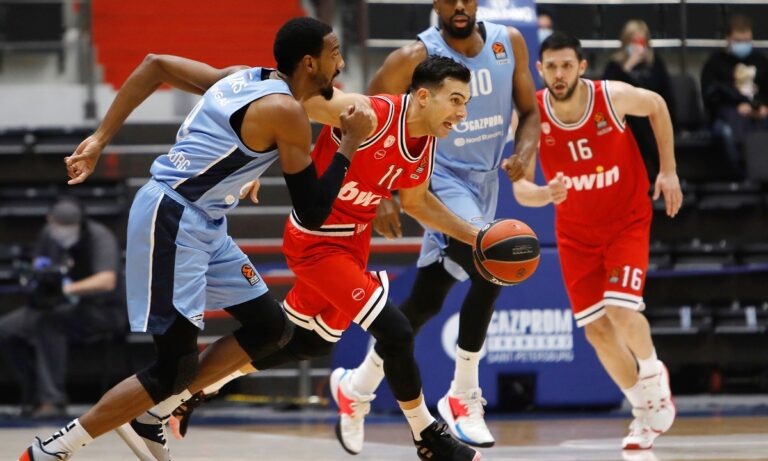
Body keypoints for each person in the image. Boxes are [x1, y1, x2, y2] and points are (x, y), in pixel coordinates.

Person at [19, 17, 376, 461]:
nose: (341, 63)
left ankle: (151, 415)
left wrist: (100, 138)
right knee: (175, 367)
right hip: (173, 217)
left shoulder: (244, 77)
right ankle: (54, 448)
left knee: (271, 329)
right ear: (309, 62)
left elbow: (156, 65)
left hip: (204, 219)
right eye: (335, 53)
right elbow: (313, 212)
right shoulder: (287, 113)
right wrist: (349, 144)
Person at [126, 54, 482, 461]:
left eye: (466, 103)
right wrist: (255, 158)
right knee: (396, 331)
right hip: (316, 241)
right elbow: (295, 98)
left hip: (354, 242)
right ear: (423, 96)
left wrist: (477, 236)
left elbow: (417, 204)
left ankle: (192, 392)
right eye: (455, 100)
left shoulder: (426, 143)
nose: (462, 112)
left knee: (308, 342)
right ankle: (427, 436)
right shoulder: (369, 113)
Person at [328, 0, 540, 451]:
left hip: (485, 181)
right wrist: (383, 192)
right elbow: (363, 119)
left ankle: (356, 387)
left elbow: (530, 111)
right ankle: (462, 395)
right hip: (435, 177)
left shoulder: (509, 43)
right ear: (434, 4)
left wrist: (524, 152)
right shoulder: (412, 57)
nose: (459, 5)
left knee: (427, 299)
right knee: (491, 263)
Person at [510, 31, 682, 450]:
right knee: (597, 332)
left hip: (626, 222)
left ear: (582, 67)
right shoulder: (530, 116)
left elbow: (657, 105)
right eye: (552, 66)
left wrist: (668, 170)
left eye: (567, 65)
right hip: (575, 234)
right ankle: (642, 411)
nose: (559, 74)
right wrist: (544, 194)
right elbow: (521, 189)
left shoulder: (611, 97)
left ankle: (653, 373)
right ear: (540, 69)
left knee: (621, 310)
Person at [0, 197, 122, 419]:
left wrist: (67, 289)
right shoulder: (48, 234)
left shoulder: (98, 235)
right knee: (6, 329)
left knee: (49, 324)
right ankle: (32, 394)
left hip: (101, 309)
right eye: (59, 225)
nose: (62, 231)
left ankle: (51, 400)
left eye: (69, 226)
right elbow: (40, 266)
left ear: (80, 223)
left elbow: (107, 281)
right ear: (49, 219)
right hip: (54, 305)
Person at [603, 20, 674, 177]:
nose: (638, 46)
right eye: (633, 41)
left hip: (650, 117)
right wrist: (627, 67)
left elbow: (664, 94)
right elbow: (608, 95)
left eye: (641, 41)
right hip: (625, 120)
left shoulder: (655, 64)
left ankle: (664, 174)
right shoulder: (615, 65)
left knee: (648, 127)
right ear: (626, 41)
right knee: (637, 128)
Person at [701, 14, 768, 177]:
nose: (743, 44)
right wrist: (736, 107)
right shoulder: (715, 63)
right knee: (725, 133)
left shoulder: (761, 61)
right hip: (727, 116)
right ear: (728, 38)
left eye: (747, 40)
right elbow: (710, 97)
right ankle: (741, 177)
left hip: (759, 114)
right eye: (738, 40)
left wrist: (763, 107)